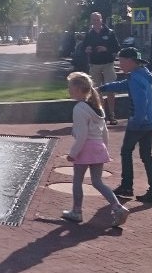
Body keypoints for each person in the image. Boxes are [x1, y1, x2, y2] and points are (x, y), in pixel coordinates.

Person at [62, 72, 130, 227]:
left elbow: (82, 135)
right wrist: (104, 148)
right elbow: (104, 131)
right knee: (97, 182)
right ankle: (118, 207)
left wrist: (73, 153)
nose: (69, 91)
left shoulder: (79, 108)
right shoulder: (97, 107)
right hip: (98, 147)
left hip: (85, 148)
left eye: (70, 88)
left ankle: (76, 211)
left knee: (77, 180)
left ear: (78, 89)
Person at [98, 47, 152, 203]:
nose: (119, 64)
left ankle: (127, 186)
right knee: (146, 156)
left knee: (126, 152)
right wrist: (103, 88)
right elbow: (123, 85)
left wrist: (136, 121)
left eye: (121, 61)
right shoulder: (141, 74)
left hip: (138, 123)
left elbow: (141, 102)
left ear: (130, 61)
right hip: (150, 122)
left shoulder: (135, 78)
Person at [84, 12, 121, 125]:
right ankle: (101, 114)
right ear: (91, 21)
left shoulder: (109, 33)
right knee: (96, 91)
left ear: (101, 20)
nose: (95, 21)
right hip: (94, 65)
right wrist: (87, 49)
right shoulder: (89, 34)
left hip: (108, 64)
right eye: (93, 20)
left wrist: (106, 49)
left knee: (110, 89)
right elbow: (83, 48)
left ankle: (112, 114)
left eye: (97, 19)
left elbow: (117, 48)